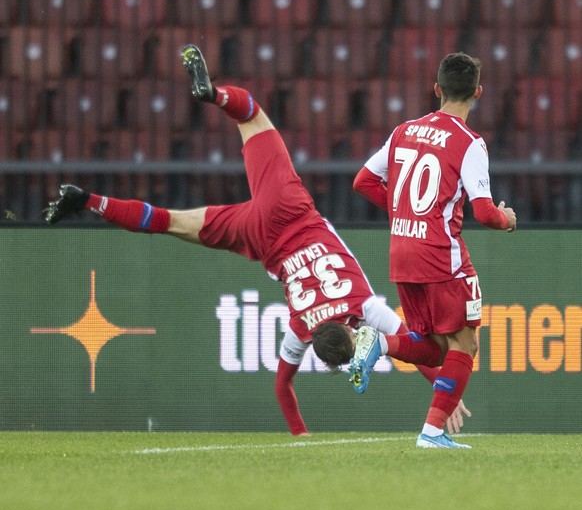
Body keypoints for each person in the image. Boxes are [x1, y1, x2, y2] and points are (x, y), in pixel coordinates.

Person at [43, 45, 470, 437]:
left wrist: (445, 391)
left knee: (249, 115)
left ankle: (210, 94)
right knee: (168, 222)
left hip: (284, 208)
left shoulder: (366, 308)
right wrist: (302, 437)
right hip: (261, 235)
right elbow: (283, 387)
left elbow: (422, 356)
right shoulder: (303, 329)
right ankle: (87, 200)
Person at [350, 52, 517, 449]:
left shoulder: (404, 130)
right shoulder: (470, 142)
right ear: (478, 92)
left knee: (435, 347)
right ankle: (432, 432)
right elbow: (486, 212)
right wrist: (509, 219)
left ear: (437, 89)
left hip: (402, 252)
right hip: (442, 255)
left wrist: (402, 211)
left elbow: (363, 181)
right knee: (466, 344)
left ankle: (381, 344)